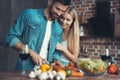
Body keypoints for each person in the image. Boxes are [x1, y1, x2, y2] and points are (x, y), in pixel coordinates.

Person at [5, 0, 71, 70]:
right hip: (25, 69)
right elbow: (10, 37)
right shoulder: (29, 14)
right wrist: (31, 53)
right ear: (50, 2)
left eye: (63, 11)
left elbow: (56, 51)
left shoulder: (58, 28)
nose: (59, 13)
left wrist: (56, 60)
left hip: (46, 71)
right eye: (57, 9)